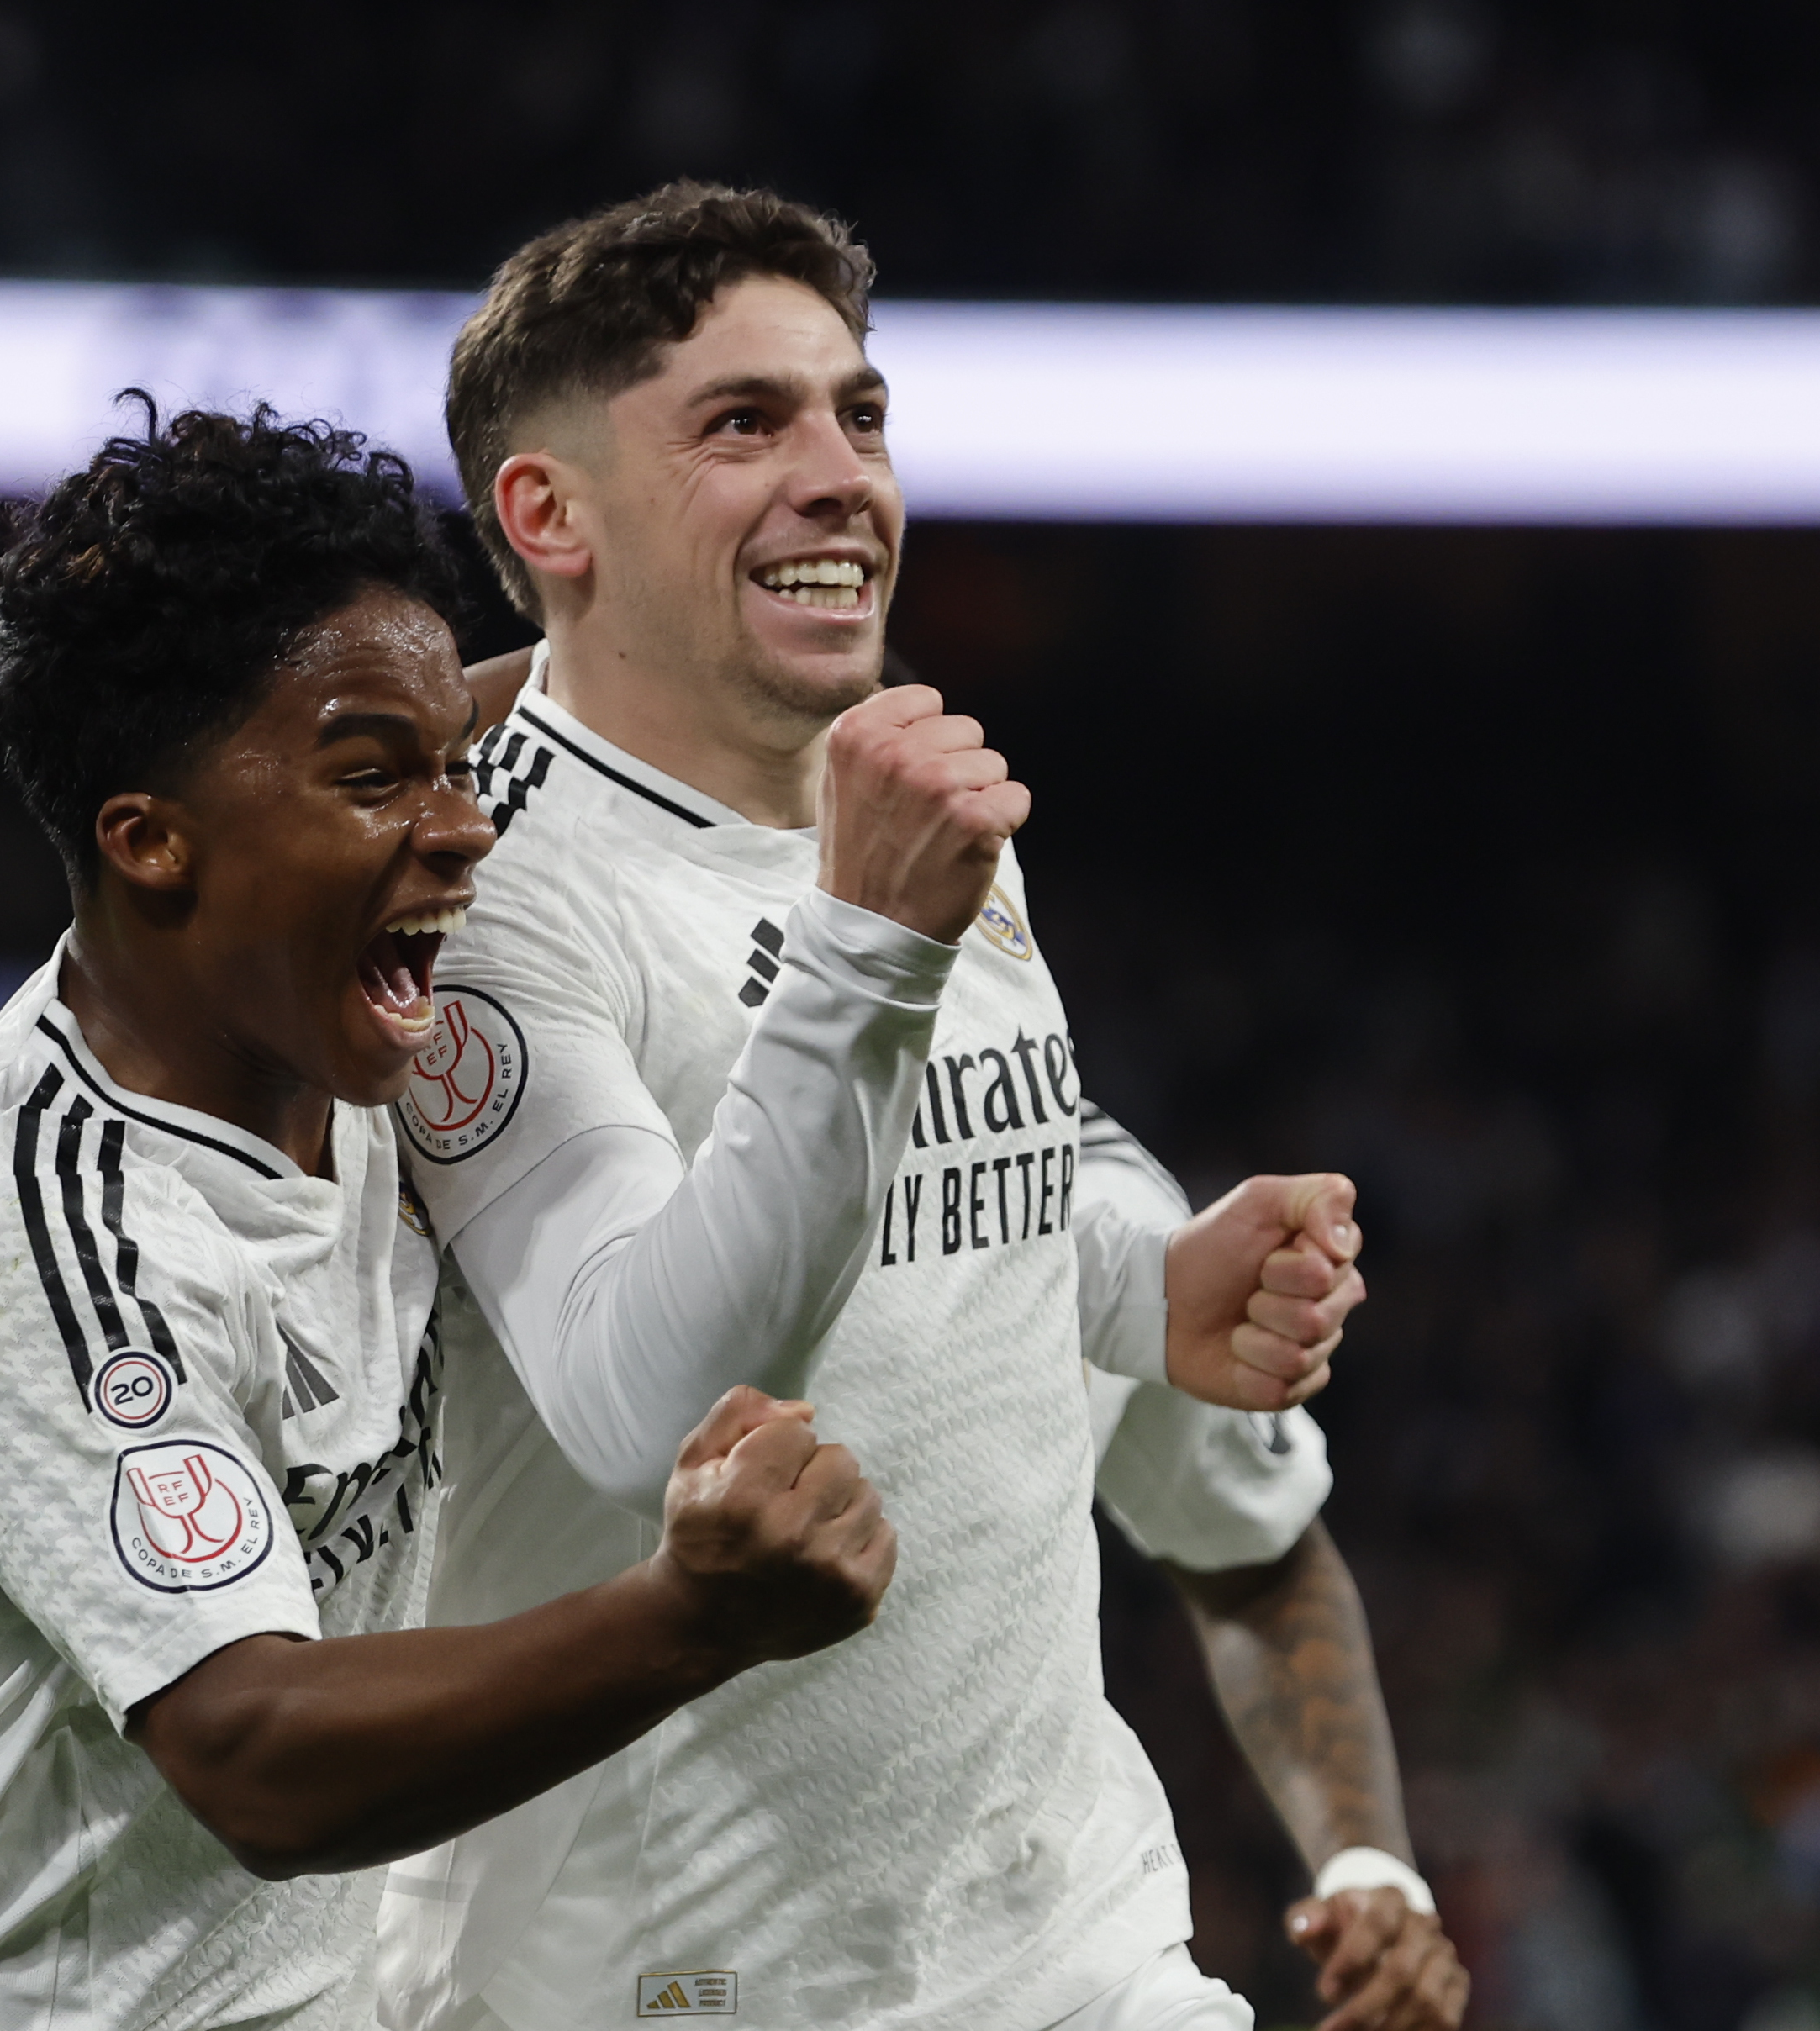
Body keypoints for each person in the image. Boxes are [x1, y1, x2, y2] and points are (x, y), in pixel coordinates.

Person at [382, 186, 1466, 2031]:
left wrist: (1140, 1283)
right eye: (744, 422)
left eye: (858, 415)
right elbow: (645, 1406)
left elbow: (960, 1204)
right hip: (662, 1983)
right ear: (546, 516)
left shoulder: (906, 803)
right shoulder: (473, 893)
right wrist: (864, 944)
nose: (840, 476)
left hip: (1071, 1949)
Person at [0, 405, 915, 2031]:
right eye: (373, 779)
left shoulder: (323, 1027)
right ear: (152, 843)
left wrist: (693, 602)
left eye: (452, 764)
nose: (463, 825)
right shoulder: (49, 1219)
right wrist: (687, 1619)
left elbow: (509, 715)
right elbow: (255, 1754)